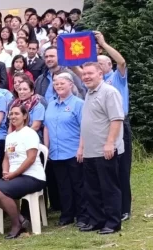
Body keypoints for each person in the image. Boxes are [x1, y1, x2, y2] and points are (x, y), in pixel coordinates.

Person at [0, 104, 46, 239]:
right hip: (15, 176)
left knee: (1, 191)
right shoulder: (10, 136)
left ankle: (16, 225)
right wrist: (5, 172)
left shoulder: (30, 133)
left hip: (32, 176)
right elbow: (6, 158)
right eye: (11, 114)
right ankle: (20, 218)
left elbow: (31, 159)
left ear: (25, 116)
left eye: (16, 114)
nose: (13, 117)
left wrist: (14, 174)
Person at [79, 62, 124, 235]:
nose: (86, 77)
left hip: (105, 150)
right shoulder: (89, 93)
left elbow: (116, 119)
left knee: (109, 188)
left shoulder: (109, 92)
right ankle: (96, 220)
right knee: (92, 189)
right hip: (90, 151)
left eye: (90, 73)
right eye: (84, 74)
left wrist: (110, 143)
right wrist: (82, 147)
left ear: (100, 74)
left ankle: (113, 223)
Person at [95, 31, 131, 221]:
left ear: (109, 65)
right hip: (103, 126)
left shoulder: (117, 76)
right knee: (108, 168)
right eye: (97, 62)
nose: (98, 65)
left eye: (102, 62)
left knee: (122, 167)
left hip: (120, 124)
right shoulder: (97, 82)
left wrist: (103, 43)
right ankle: (110, 206)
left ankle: (125, 208)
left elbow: (122, 61)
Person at [43, 73, 88, 227]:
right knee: (63, 186)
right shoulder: (51, 103)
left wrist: (81, 148)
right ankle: (67, 214)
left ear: (71, 84)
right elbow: (47, 127)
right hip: (56, 153)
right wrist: (46, 147)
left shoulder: (78, 103)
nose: (59, 86)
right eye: (56, 84)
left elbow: (84, 128)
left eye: (62, 83)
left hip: (73, 151)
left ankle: (82, 216)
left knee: (78, 185)